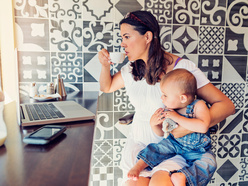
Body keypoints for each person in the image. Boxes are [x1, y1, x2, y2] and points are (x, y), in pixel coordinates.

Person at [98, 10, 235, 186]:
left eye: (126, 37)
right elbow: (106, 87)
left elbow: (226, 105)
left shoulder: (182, 69)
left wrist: (189, 128)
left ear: (147, 37)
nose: (122, 43)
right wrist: (104, 66)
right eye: (121, 38)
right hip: (140, 147)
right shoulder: (132, 70)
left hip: (173, 149)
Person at [127, 69, 213, 186]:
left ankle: (183, 176)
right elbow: (162, 133)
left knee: (209, 163)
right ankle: (139, 166)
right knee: (156, 148)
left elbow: (203, 127)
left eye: (165, 95)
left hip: (198, 150)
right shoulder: (169, 109)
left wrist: (177, 117)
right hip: (174, 143)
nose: (162, 98)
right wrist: (154, 124)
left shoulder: (198, 105)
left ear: (182, 98)